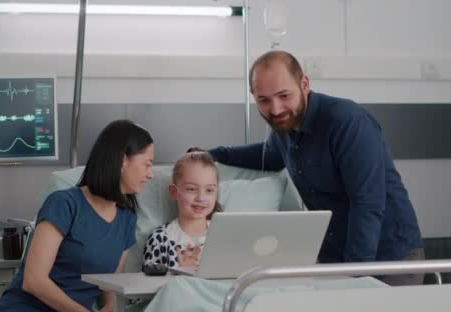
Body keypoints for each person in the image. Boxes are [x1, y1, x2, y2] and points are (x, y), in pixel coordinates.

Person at [209, 50, 424, 286]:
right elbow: (267, 157)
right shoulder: (285, 129)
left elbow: (367, 204)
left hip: (388, 259)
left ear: (304, 83)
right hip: (335, 259)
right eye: (264, 100)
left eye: (284, 95)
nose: (276, 109)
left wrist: (354, 278)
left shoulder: (346, 121)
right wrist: (211, 155)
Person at [0, 119, 154, 312]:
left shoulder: (126, 218)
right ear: (123, 160)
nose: (151, 174)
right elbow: (34, 280)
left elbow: (110, 284)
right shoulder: (64, 204)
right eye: (147, 163)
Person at [143, 148, 223, 269]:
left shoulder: (223, 235)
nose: (201, 198)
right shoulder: (160, 239)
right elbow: (147, 286)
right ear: (174, 192)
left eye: (209, 190)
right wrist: (182, 273)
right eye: (191, 189)